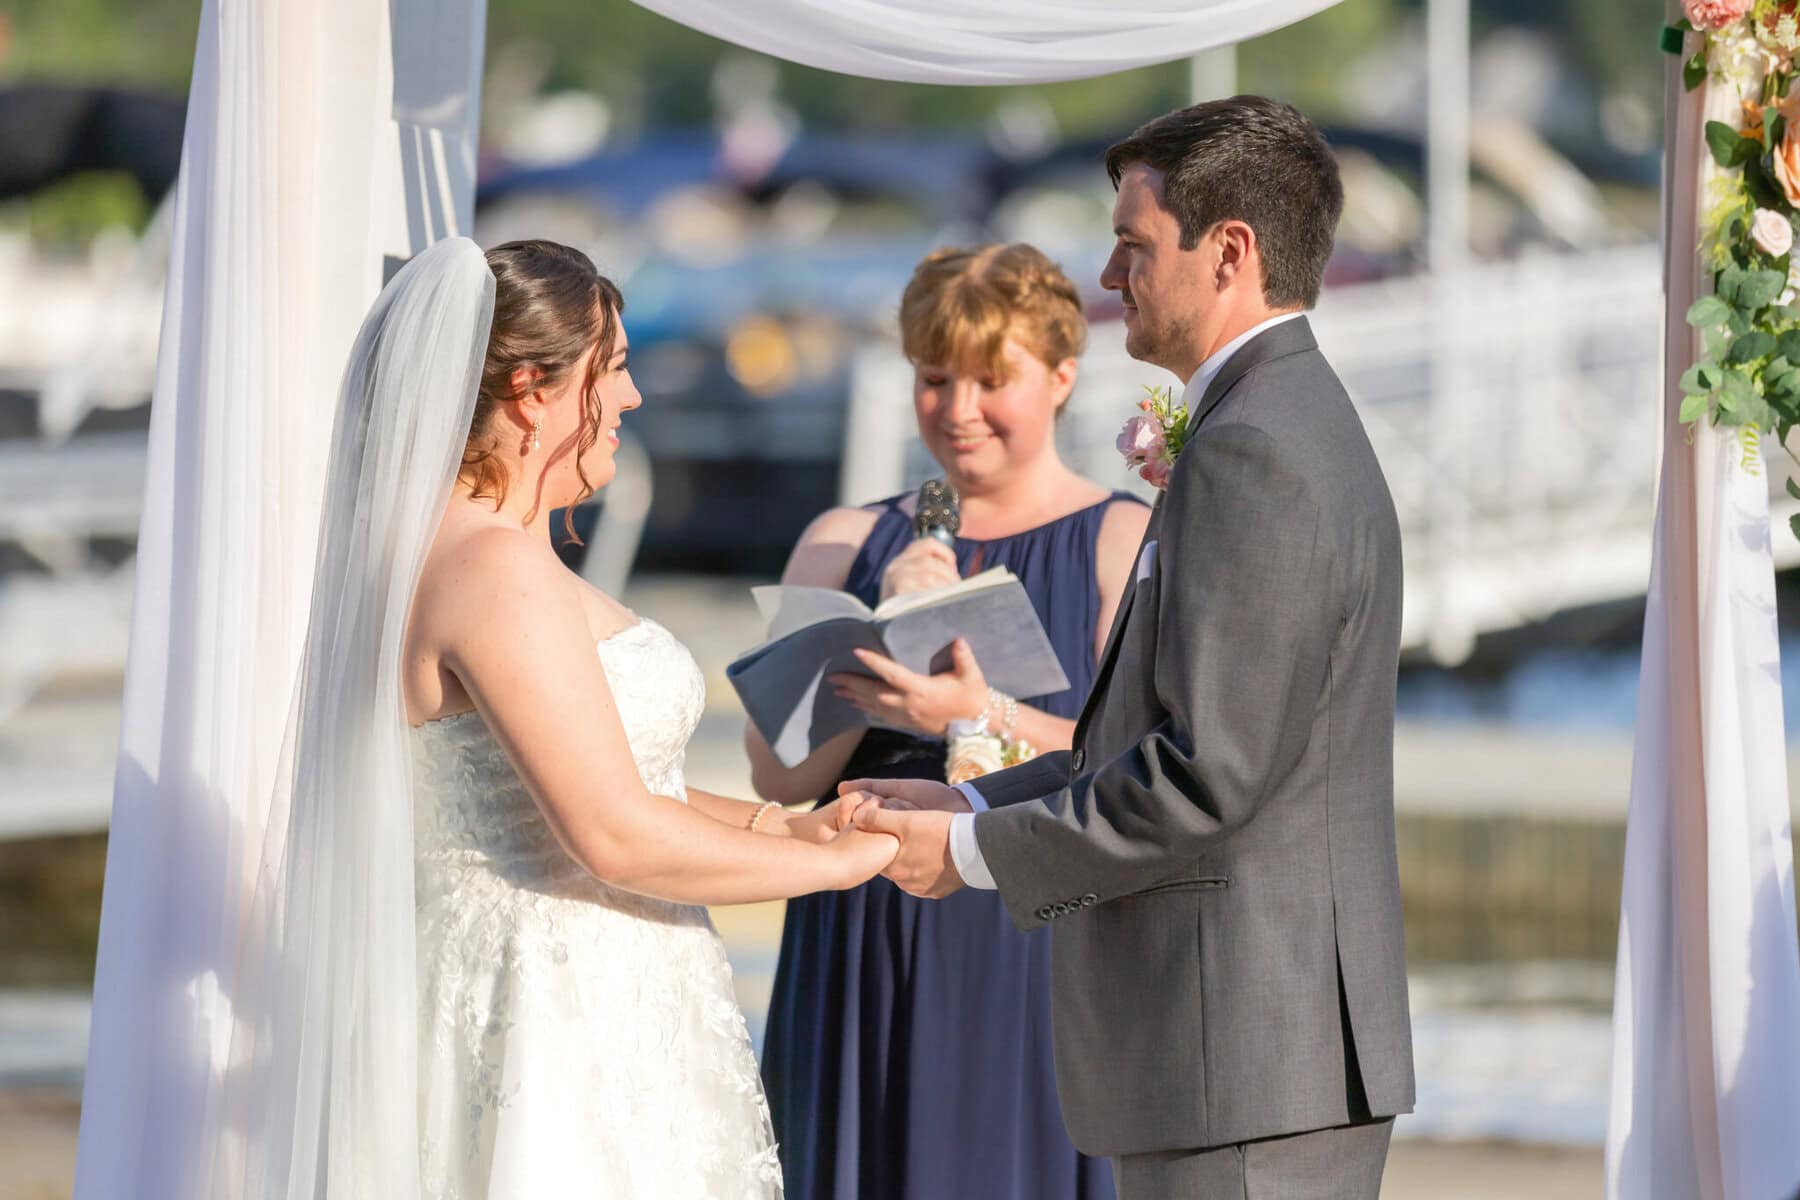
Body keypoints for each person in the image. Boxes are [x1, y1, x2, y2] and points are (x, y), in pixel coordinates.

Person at [212, 237, 896, 1199]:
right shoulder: (492, 568)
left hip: (573, 980)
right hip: (552, 1010)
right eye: (612, 371)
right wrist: (844, 865)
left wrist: (774, 821)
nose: (631, 399)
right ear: (533, 391)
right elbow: (611, 833)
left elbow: (610, 778)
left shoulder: (473, 549)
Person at [844, 98, 1416, 1199]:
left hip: (1246, 1063)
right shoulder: (1272, 420)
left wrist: (973, 857)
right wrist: (969, 806)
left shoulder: (1258, 452)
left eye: (1135, 245)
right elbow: (1150, 737)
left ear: (1230, 253)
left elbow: (1208, 774)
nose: (1110, 276)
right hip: (1241, 1062)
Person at [750, 243, 1150, 1200]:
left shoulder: (1121, 539)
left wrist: (983, 714)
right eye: (935, 379)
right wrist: (872, 631)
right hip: (862, 937)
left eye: (990, 379)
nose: (959, 411)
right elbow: (780, 778)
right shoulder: (841, 539)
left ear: (1060, 377)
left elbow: (1141, 760)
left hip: (1031, 939)